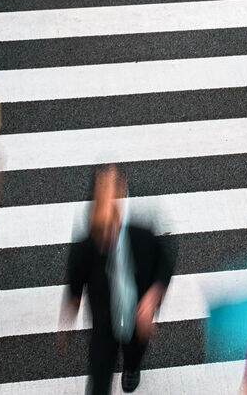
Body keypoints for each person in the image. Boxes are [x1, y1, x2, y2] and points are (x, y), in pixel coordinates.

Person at [61, 165, 175, 394]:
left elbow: (166, 259)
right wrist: (67, 320)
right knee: (99, 382)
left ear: (122, 194)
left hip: (138, 314)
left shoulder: (141, 232)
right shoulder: (85, 248)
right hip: (104, 323)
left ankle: (132, 367)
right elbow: (75, 285)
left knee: (135, 350)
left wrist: (152, 297)